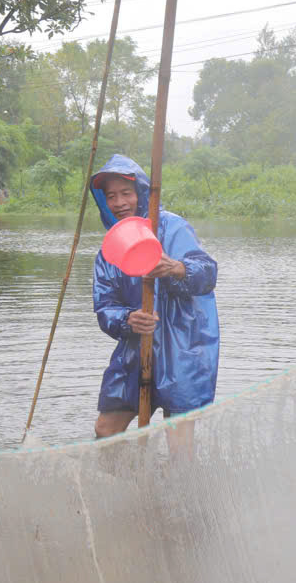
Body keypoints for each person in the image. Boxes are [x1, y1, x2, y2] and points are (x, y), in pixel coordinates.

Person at [89, 155, 219, 437]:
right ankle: (121, 481)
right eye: (111, 196)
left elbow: (208, 273)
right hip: (134, 349)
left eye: (126, 193)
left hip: (181, 347)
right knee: (105, 429)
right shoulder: (110, 248)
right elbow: (105, 306)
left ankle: (175, 481)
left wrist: (176, 268)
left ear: (141, 193)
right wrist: (127, 319)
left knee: (179, 441)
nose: (119, 203)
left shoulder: (173, 228)